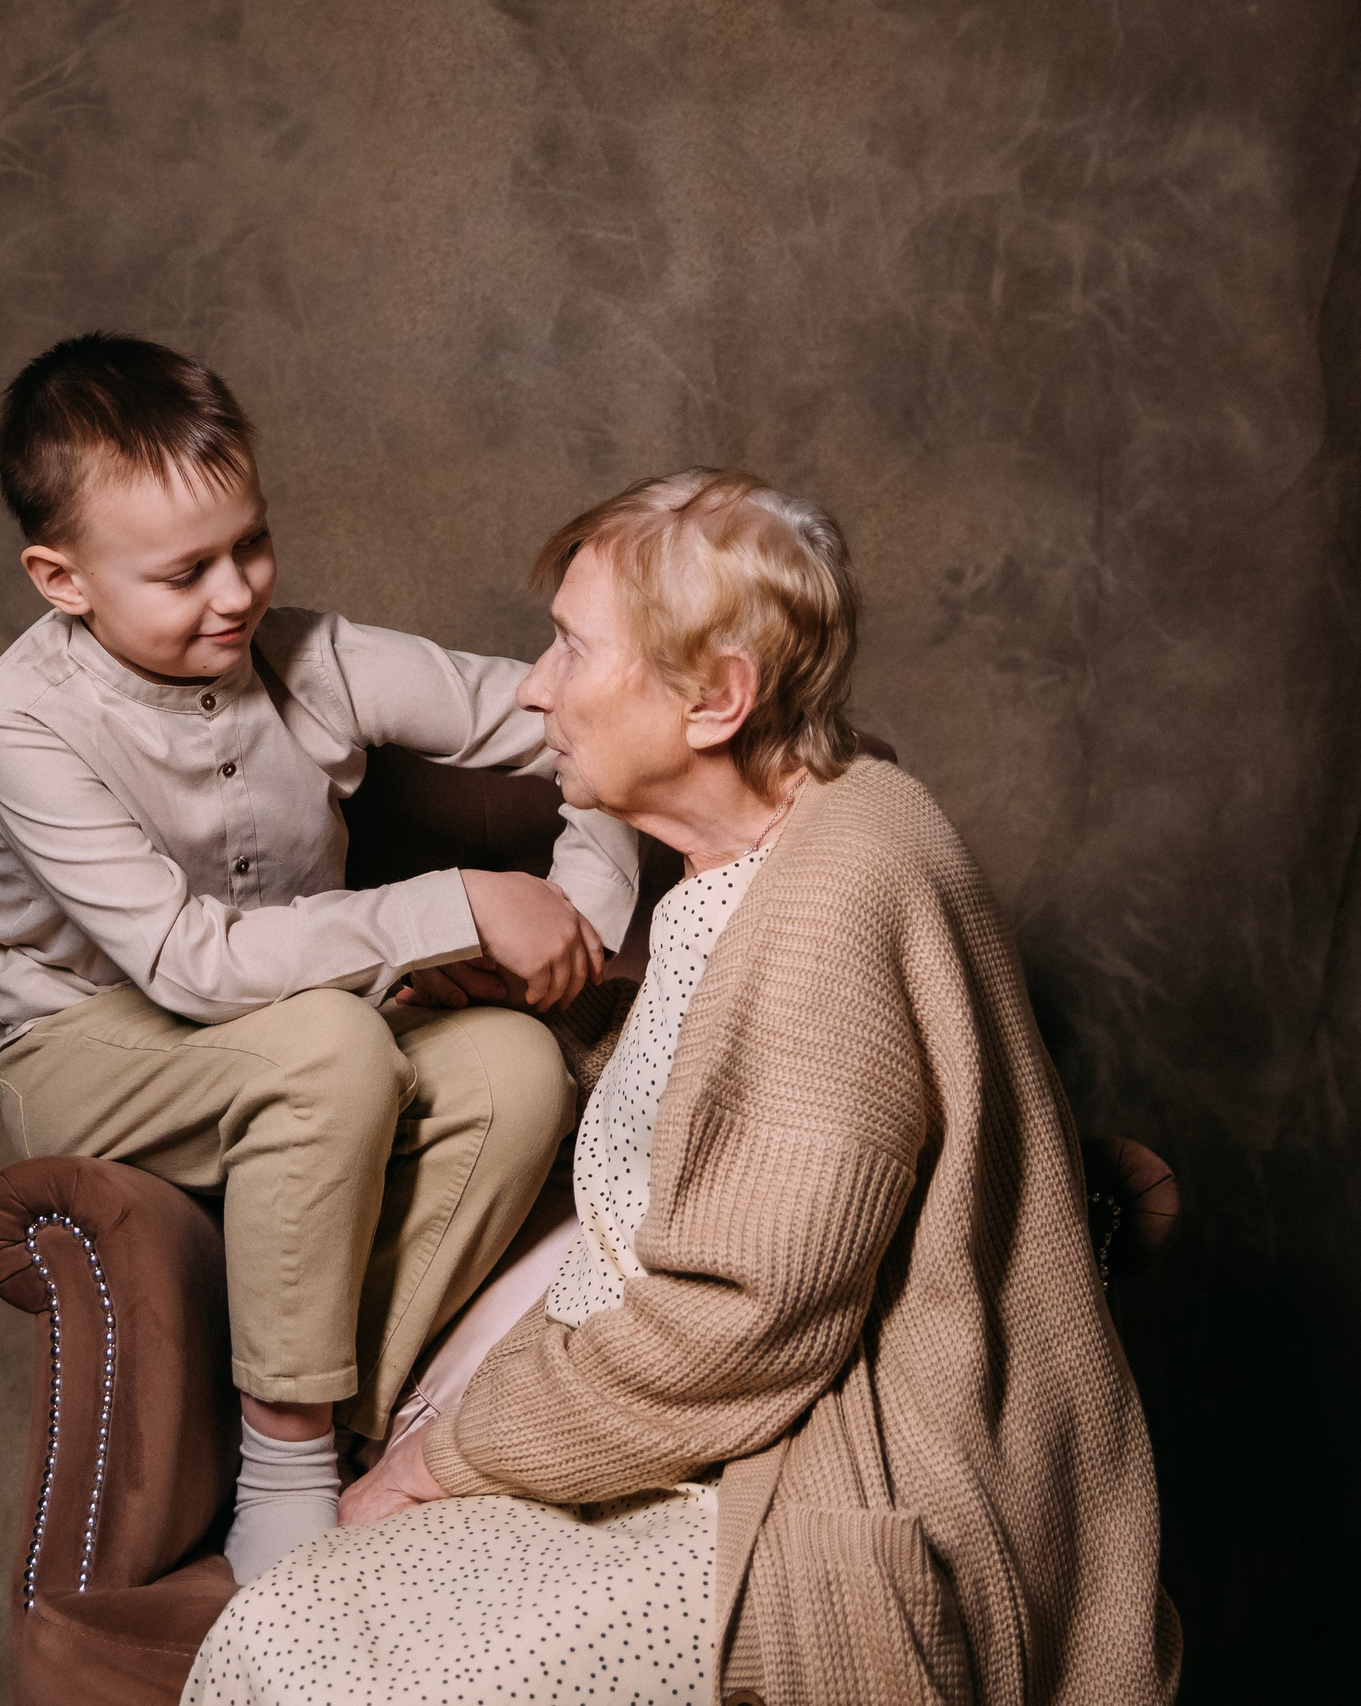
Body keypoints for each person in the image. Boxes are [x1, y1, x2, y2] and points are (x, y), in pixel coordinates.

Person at [184, 469, 1181, 1705]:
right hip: (689, 1438)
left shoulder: (837, 897)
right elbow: (718, 1098)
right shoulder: (785, 843)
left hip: (814, 1491)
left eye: (571, 645)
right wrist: (547, 1011)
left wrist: (446, 1458)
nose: (535, 686)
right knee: (290, 1622)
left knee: (297, 1659)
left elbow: (742, 1325)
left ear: (716, 698)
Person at [0, 334, 641, 1583]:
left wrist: (579, 913)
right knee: (331, 1046)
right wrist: (461, 904)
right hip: (85, 1045)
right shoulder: (20, 721)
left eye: (252, 543)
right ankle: (282, 1464)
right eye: (184, 572)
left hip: (311, 1028)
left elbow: (580, 721)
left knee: (513, 1065)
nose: (236, 593)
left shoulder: (312, 656)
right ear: (62, 579)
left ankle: (361, 1424)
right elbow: (188, 962)